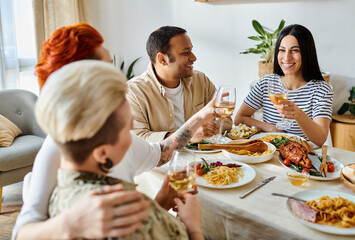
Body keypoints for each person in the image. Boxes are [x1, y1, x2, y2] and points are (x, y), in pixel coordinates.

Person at [12, 23, 225, 240]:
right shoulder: (61, 148)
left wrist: (160, 200)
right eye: (107, 68)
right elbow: (21, 234)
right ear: (80, 82)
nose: (117, 75)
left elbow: (161, 153)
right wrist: (70, 225)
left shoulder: (110, 134)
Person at [35, 60, 204, 240]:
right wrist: (192, 227)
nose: (132, 138)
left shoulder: (62, 193)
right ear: (102, 153)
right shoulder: (121, 212)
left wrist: (160, 202)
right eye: (127, 130)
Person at [127, 26, 232, 142]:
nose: (194, 57)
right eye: (186, 52)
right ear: (162, 59)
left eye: (191, 50)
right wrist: (187, 134)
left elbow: (226, 122)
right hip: (162, 159)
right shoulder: (133, 91)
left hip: (203, 157)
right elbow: (137, 139)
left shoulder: (201, 80)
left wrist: (206, 127)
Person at [234, 24, 333, 146]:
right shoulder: (266, 83)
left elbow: (320, 139)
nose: (286, 57)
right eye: (282, 50)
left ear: (307, 53)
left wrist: (298, 114)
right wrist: (272, 129)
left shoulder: (321, 90)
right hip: (269, 152)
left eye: (295, 50)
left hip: (301, 156)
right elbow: (239, 119)